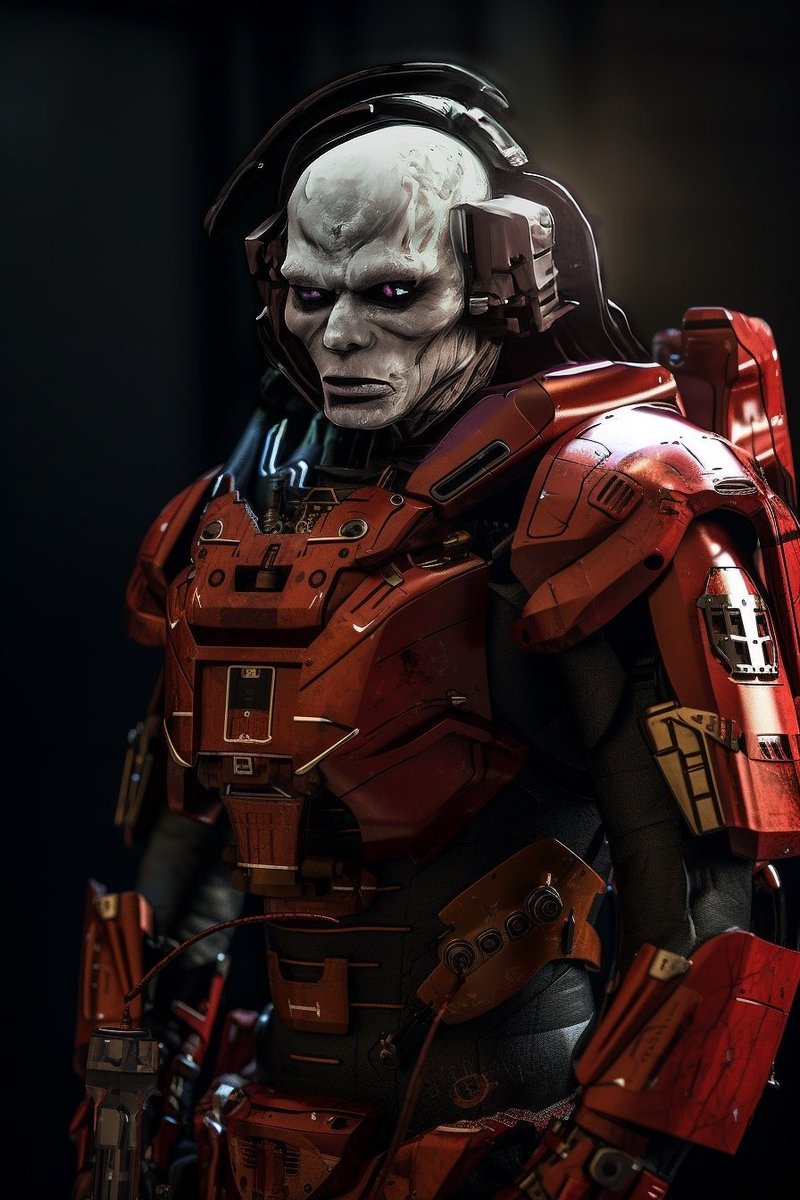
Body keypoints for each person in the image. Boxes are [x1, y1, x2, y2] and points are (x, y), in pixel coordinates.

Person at [71, 63, 800, 1200]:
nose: (338, 338)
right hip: (256, 1144)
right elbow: (181, 865)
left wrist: (594, 1165)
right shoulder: (221, 526)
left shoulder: (615, 506)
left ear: (503, 281)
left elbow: (710, 917)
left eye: (392, 293)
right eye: (309, 296)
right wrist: (126, 1119)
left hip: (501, 1150)